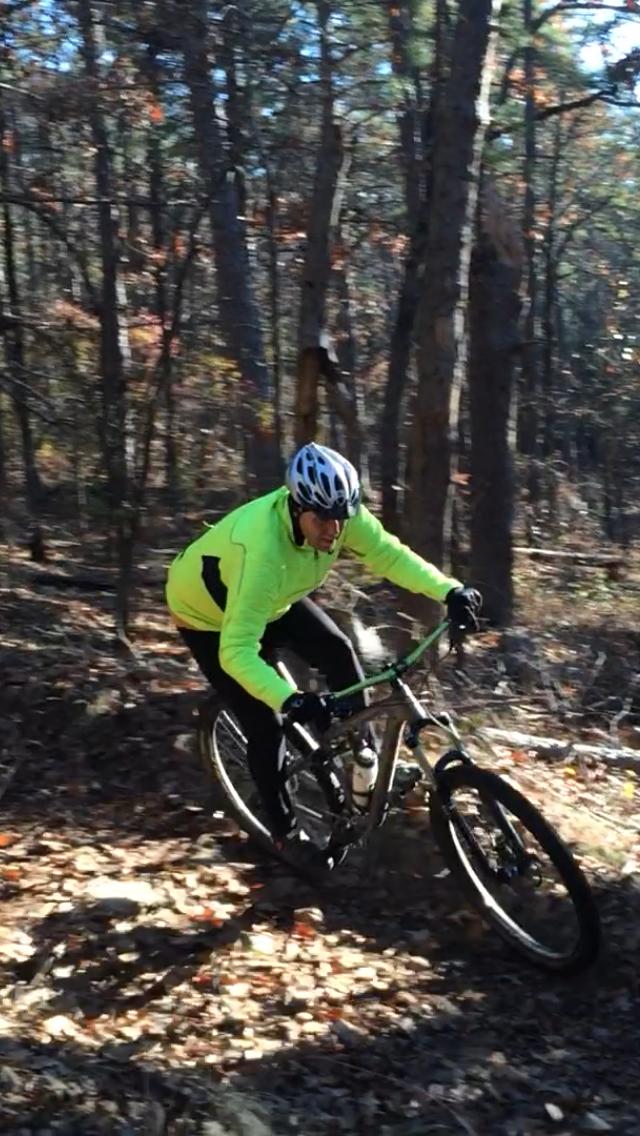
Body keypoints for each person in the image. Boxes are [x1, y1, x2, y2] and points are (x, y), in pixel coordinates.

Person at [166, 443, 481, 870]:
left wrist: (449, 590)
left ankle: (361, 760)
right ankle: (284, 833)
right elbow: (236, 651)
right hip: (207, 617)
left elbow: (388, 555)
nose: (334, 530)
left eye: (341, 518)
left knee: (339, 651)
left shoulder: (338, 513)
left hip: (271, 599)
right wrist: (289, 699)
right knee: (265, 722)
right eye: (322, 519)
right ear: (297, 508)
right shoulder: (263, 551)